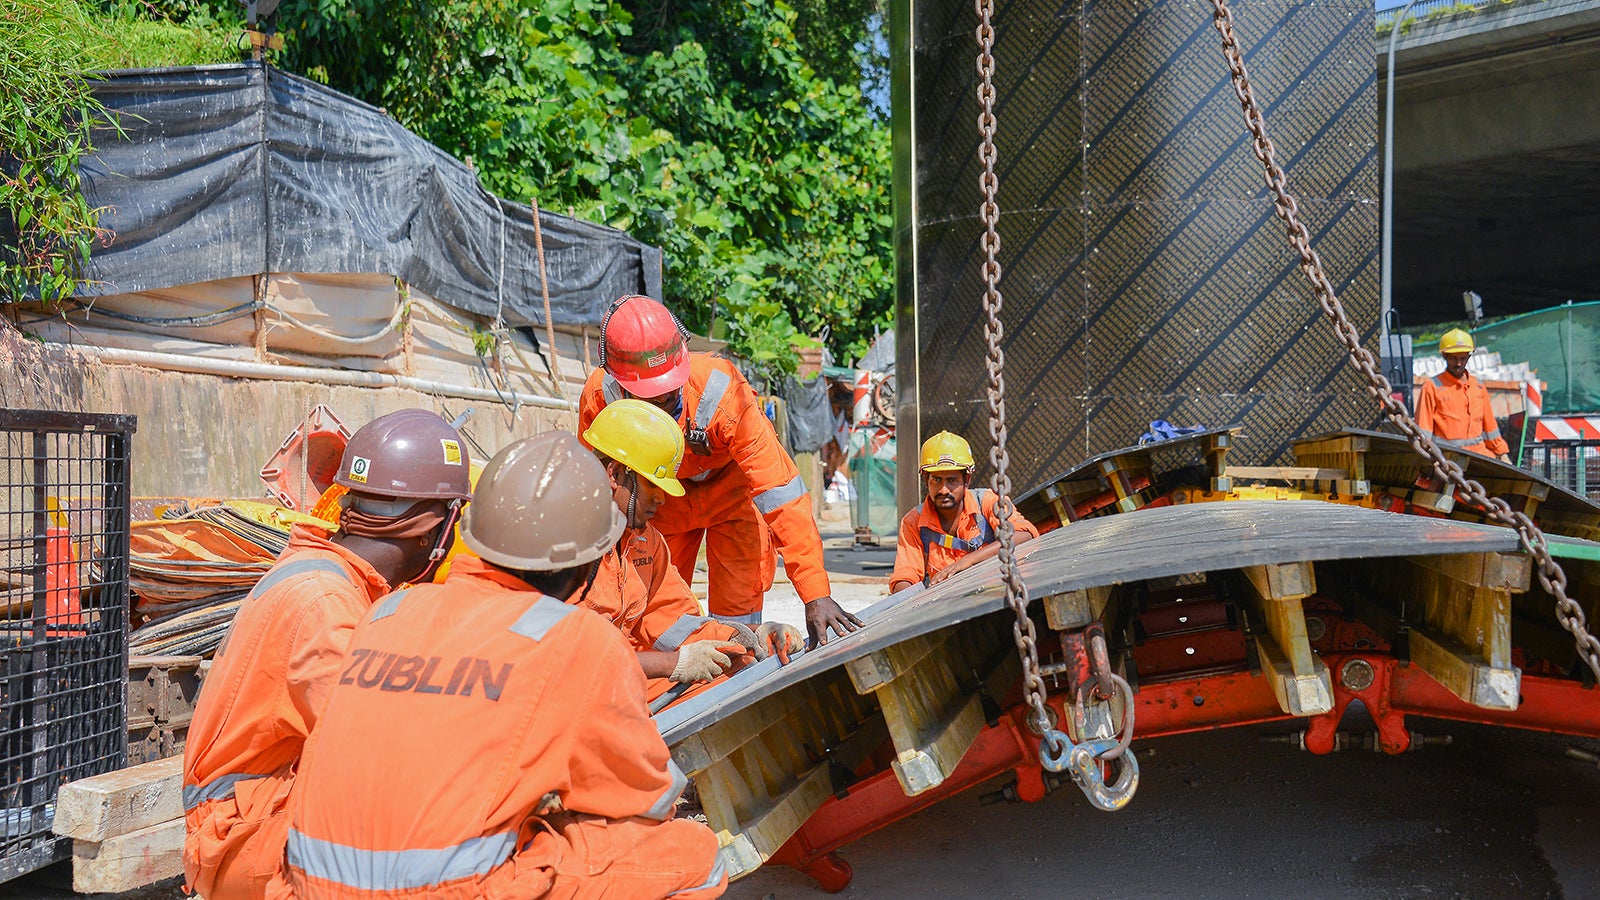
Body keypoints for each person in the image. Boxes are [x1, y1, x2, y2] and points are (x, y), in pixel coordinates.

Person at [282, 431, 725, 899]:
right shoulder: (577, 639)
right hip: (444, 888)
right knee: (695, 854)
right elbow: (647, 801)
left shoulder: (388, 612)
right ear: (590, 561)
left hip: (310, 881)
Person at [184, 409, 472, 900]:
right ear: (435, 530)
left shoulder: (333, 576)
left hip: (260, 807)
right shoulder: (328, 604)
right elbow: (376, 748)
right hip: (242, 836)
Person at [578, 294, 860, 647]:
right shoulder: (599, 401)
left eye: (668, 398)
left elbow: (781, 492)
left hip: (733, 502)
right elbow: (598, 498)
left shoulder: (723, 392)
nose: (662, 409)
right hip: (662, 505)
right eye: (649, 400)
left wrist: (815, 592)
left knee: (737, 619)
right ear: (619, 384)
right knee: (654, 615)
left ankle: (737, 666)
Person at [580, 399, 805, 708]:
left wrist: (748, 637)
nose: (661, 498)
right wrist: (674, 664)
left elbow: (677, 624)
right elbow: (574, 659)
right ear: (615, 473)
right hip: (562, 695)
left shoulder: (646, 542)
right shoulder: (563, 547)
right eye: (651, 484)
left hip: (611, 681)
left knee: (736, 678)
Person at [889, 431, 1039, 594]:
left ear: (966, 480)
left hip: (995, 595)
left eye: (952, 480)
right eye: (936, 480)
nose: (944, 489)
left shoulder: (987, 502)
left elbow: (1024, 533)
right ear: (926, 480)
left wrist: (969, 560)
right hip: (945, 604)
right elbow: (904, 577)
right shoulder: (914, 522)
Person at [1416, 329, 1511, 461]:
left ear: (1469, 356)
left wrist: (1502, 454)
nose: (1459, 363)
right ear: (1444, 356)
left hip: (1478, 457)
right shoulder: (1432, 387)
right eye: (1454, 358)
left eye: (1462, 358)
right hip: (1447, 457)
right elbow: (1423, 430)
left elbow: (1490, 428)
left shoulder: (1478, 386)